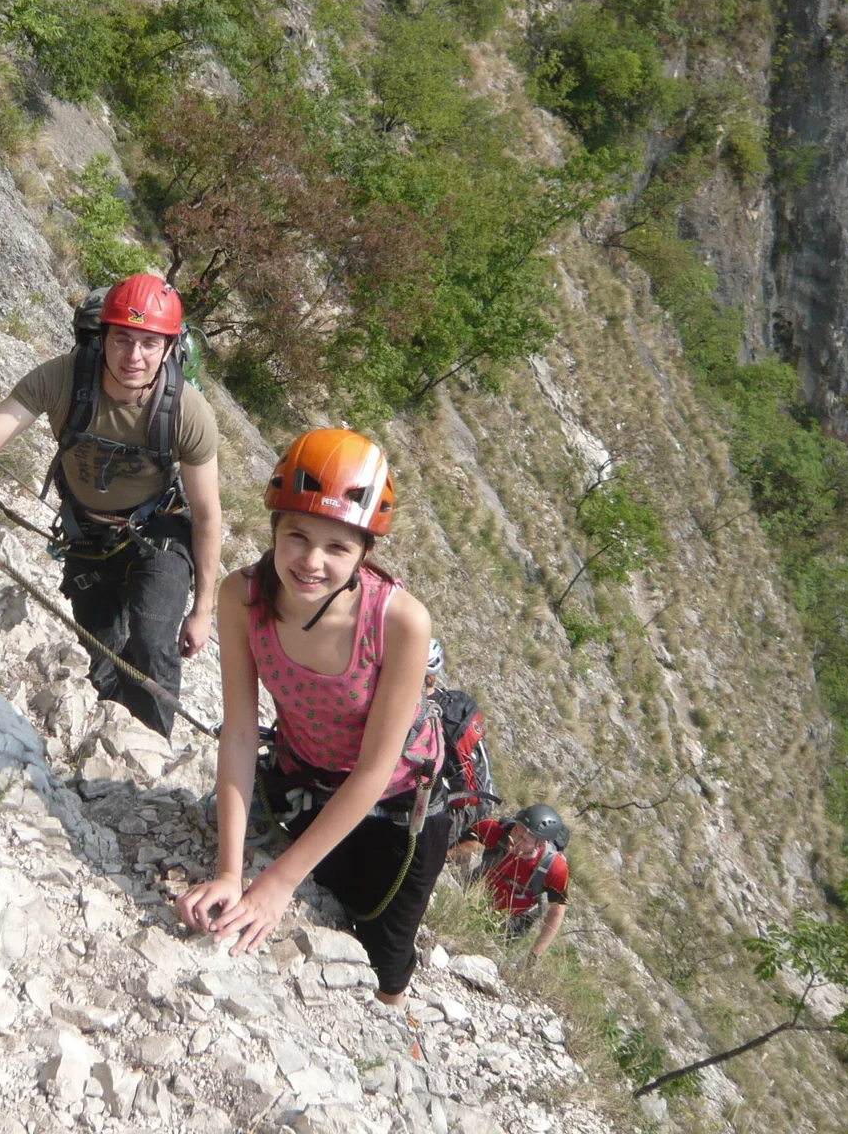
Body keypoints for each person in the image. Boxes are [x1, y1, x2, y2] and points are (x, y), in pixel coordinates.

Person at [177, 429, 445, 1006]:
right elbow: (242, 732)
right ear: (274, 528)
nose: (312, 561)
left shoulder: (400, 622)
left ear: (365, 554)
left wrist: (274, 885)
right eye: (297, 535)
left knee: (384, 954)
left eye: (338, 547)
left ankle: (393, 1023)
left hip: (398, 802)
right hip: (307, 772)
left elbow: (376, 770)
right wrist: (229, 871)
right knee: (325, 886)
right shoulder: (241, 597)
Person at [0, 274, 220, 737]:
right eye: (122, 340)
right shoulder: (64, 378)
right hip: (87, 536)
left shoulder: (187, 412)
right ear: (104, 337)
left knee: (154, 641)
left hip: (157, 532)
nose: (133, 356)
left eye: (148, 344)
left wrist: (203, 608)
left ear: (169, 348)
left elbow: (208, 514)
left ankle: (153, 750)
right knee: (102, 652)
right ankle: (118, 736)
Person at [453, 803, 570, 961]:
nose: (514, 839)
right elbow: (459, 845)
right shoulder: (495, 830)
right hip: (472, 899)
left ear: (540, 844)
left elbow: (556, 912)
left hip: (510, 925)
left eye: (524, 839)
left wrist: (534, 955)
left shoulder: (555, 868)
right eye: (516, 829)